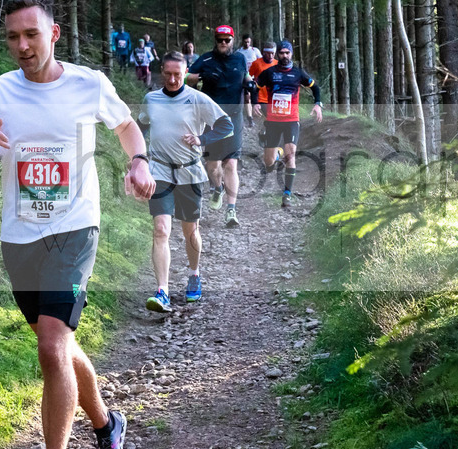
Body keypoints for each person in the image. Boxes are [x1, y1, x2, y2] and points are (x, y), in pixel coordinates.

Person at [0, 0, 155, 449]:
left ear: (54, 34)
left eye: (31, 34)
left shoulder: (88, 84)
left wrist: (137, 162)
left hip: (75, 229)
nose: (22, 45)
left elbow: (126, 125)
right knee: (61, 344)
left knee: (50, 346)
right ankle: (108, 424)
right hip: (19, 238)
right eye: (13, 37)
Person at [138, 52, 233, 312]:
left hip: (189, 172)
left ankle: (194, 274)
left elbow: (226, 125)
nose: (172, 79)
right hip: (159, 171)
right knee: (160, 230)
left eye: (177, 75)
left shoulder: (197, 98)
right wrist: (137, 157)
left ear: (185, 72)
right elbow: (141, 127)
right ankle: (162, 291)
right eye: (167, 74)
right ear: (161, 72)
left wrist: (202, 139)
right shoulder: (151, 99)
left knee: (190, 230)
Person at [186, 24, 252, 227]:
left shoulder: (240, 58)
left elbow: (247, 77)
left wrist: (251, 84)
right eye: (220, 40)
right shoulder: (205, 59)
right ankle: (218, 187)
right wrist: (201, 77)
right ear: (215, 40)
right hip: (211, 120)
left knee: (231, 164)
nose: (223, 43)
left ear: (233, 41)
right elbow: (186, 77)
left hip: (233, 119)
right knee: (213, 166)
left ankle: (231, 211)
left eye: (227, 40)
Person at [252, 40, 322, 209]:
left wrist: (318, 104)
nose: (284, 56)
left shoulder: (298, 73)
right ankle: (277, 153)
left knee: (291, 156)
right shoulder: (269, 72)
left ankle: (287, 194)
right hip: (273, 121)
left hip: (291, 120)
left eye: (287, 53)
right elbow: (255, 87)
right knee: (268, 162)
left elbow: (315, 88)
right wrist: (255, 103)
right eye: (281, 53)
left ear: (291, 54)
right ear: (278, 55)